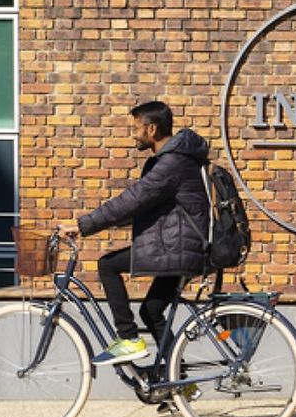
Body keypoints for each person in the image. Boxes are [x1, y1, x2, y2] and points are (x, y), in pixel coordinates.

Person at [60, 101, 210, 367]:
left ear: (151, 129)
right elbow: (136, 209)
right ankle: (178, 381)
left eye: (136, 128)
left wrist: (83, 226)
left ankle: (128, 338)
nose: (133, 134)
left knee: (107, 265)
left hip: (177, 249)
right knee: (151, 311)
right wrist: (94, 226)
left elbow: (131, 200)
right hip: (182, 246)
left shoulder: (171, 163)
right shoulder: (174, 160)